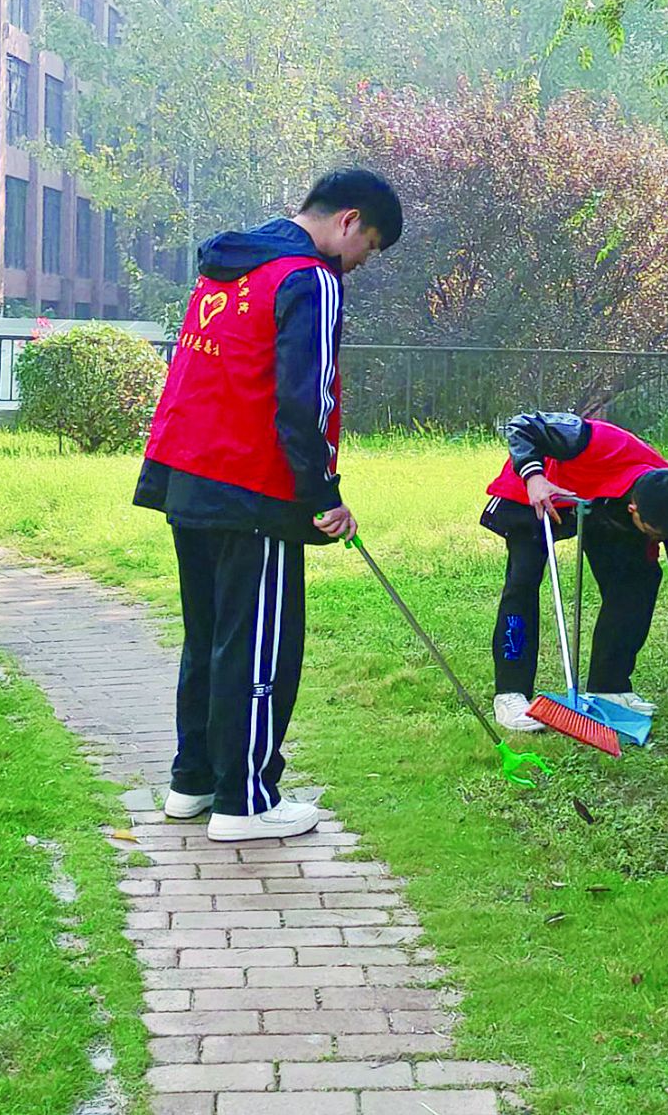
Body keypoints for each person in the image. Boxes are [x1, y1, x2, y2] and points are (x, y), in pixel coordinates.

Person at [135, 170, 402, 840]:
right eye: (368, 246)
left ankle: (193, 781)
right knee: (257, 647)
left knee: (209, 637)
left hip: (186, 476)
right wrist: (323, 494)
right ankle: (246, 801)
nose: (360, 262)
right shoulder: (310, 279)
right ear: (348, 220)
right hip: (253, 489)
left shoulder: (226, 268)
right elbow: (306, 397)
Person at [479, 411, 668, 732]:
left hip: (602, 504)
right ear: (634, 510)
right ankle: (510, 693)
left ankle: (609, 687)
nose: (658, 541)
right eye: (653, 534)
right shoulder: (591, 439)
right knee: (522, 583)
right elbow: (522, 425)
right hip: (538, 491)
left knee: (638, 580)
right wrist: (533, 475)